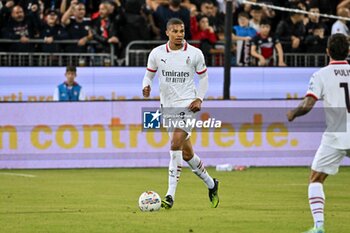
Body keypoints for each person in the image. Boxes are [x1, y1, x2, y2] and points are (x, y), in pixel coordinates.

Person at [142, 18, 219, 209]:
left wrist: (199, 98)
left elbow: (203, 79)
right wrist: (146, 85)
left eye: (182, 31)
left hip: (187, 105)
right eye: (175, 31)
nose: (179, 35)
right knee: (186, 154)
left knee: (175, 143)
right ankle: (211, 184)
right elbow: (149, 75)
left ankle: (170, 196)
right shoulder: (157, 53)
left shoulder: (195, 54)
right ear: (167, 32)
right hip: (167, 107)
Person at [287, 33, 350, 233]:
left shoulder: (321, 75)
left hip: (336, 134)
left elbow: (308, 104)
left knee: (316, 178)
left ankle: (319, 226)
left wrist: (293, 113)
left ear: (327, 52)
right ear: (348, 51)